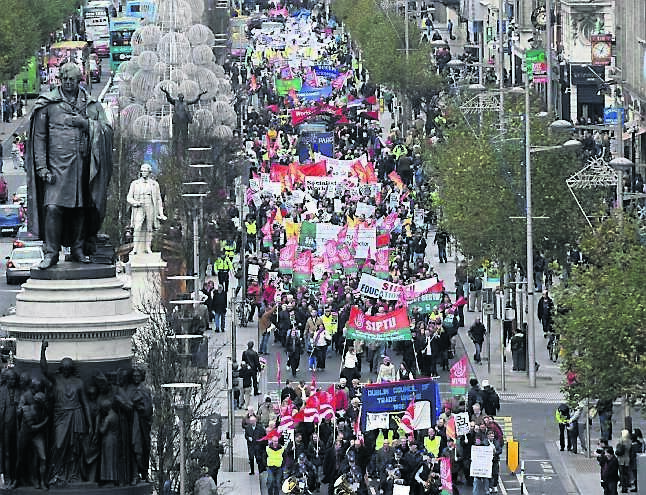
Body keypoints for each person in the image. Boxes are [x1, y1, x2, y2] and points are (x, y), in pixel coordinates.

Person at [26, 62, 113, 269]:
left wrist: (87, 124)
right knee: (54, 208)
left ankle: (78, 249)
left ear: (79, 80)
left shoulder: (90, 105)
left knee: (81, 208)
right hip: (56, 168)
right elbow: (39, 138)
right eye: (64, 79)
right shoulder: (48, 104)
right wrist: (41, 168)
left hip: (83, 166)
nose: (67, 83)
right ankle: (51, 252)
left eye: (71, 79)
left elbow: (107, 130)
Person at [40, 341, 93, 484]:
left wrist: (90, 423)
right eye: (64, 368)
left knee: (74, 447)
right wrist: (42, 350)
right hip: (61, 416)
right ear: (61, 368)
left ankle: (73, 475)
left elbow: (85, 403)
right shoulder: (56, 379)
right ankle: (57, 473)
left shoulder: (78, 382)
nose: (66, 370)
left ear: (71, 369)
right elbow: (44, 370)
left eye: (69, 368)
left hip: (76, 415)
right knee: (58, 445)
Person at [127, 163, 167, 255]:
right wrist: (135, 203)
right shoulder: (134, 183)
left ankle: (148, 248)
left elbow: (158, 199)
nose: (144, 173)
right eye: (142, 171)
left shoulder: (154, 184)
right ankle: (135, 248)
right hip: (139, 206)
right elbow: (129, 198)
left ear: (149, 172)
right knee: (137, 227)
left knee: (149, 228)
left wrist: (161, 213)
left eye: (146, 171)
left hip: (150, 206)